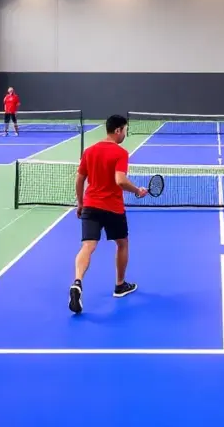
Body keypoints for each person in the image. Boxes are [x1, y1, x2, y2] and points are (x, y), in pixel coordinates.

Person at [69, 115, 147, 314]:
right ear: (119, 130)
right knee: (122, 243)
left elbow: (79, 180)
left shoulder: (89, 151)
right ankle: (120, 285)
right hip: (112, 208)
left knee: (88, 246)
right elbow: (120, 180)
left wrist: (80, 204)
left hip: (90, 205)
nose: (125, 134)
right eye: (125, 130)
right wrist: (137, 190)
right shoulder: (120, 152)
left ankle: (77, 281)